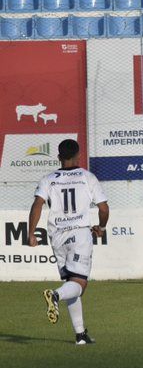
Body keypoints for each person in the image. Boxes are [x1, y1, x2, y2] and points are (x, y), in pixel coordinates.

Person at [31, 139, 109, 345]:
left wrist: (31, 233)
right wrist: (101, 228)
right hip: (80, 233)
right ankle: (55, 295)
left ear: (58, 157)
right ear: (78, 155)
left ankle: (80, 334)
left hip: (57, 235)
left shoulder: (48, 179)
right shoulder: (87, 177)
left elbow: (37, 204)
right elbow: (103, 208)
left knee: (72, 282)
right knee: (79, 285)